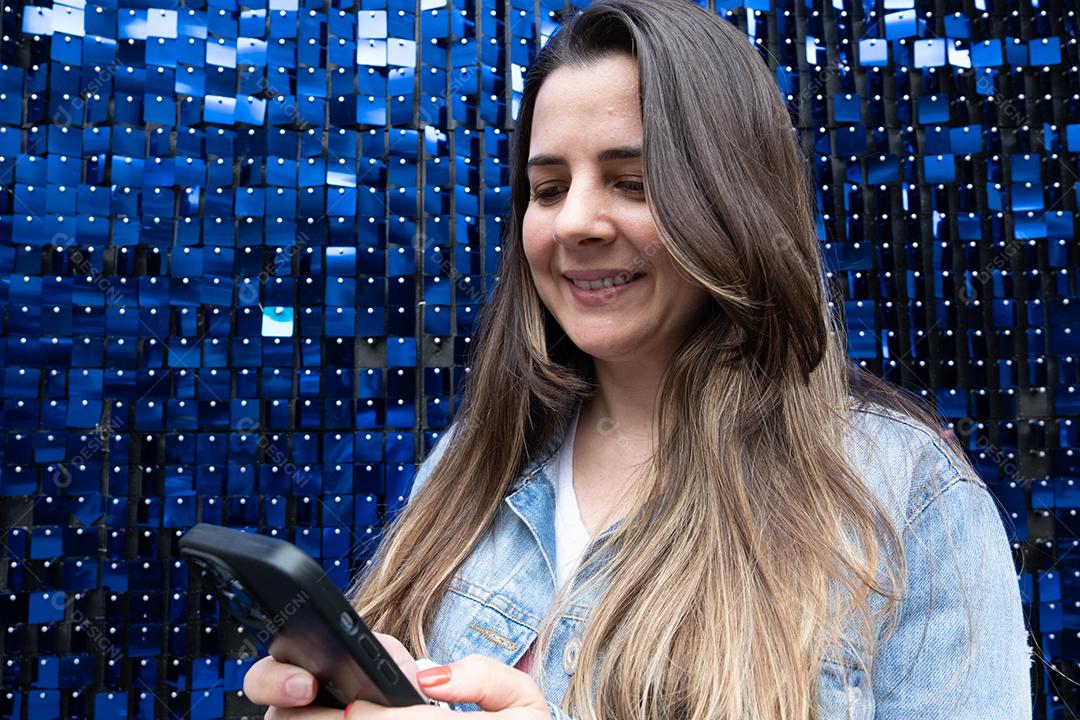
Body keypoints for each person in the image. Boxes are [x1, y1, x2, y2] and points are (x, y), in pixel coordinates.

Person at [243, 1, 1032, 717]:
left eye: (633, 181)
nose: (576, 222)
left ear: (734, 202)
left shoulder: (904, 500)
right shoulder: (467, 465)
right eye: (548, 190)